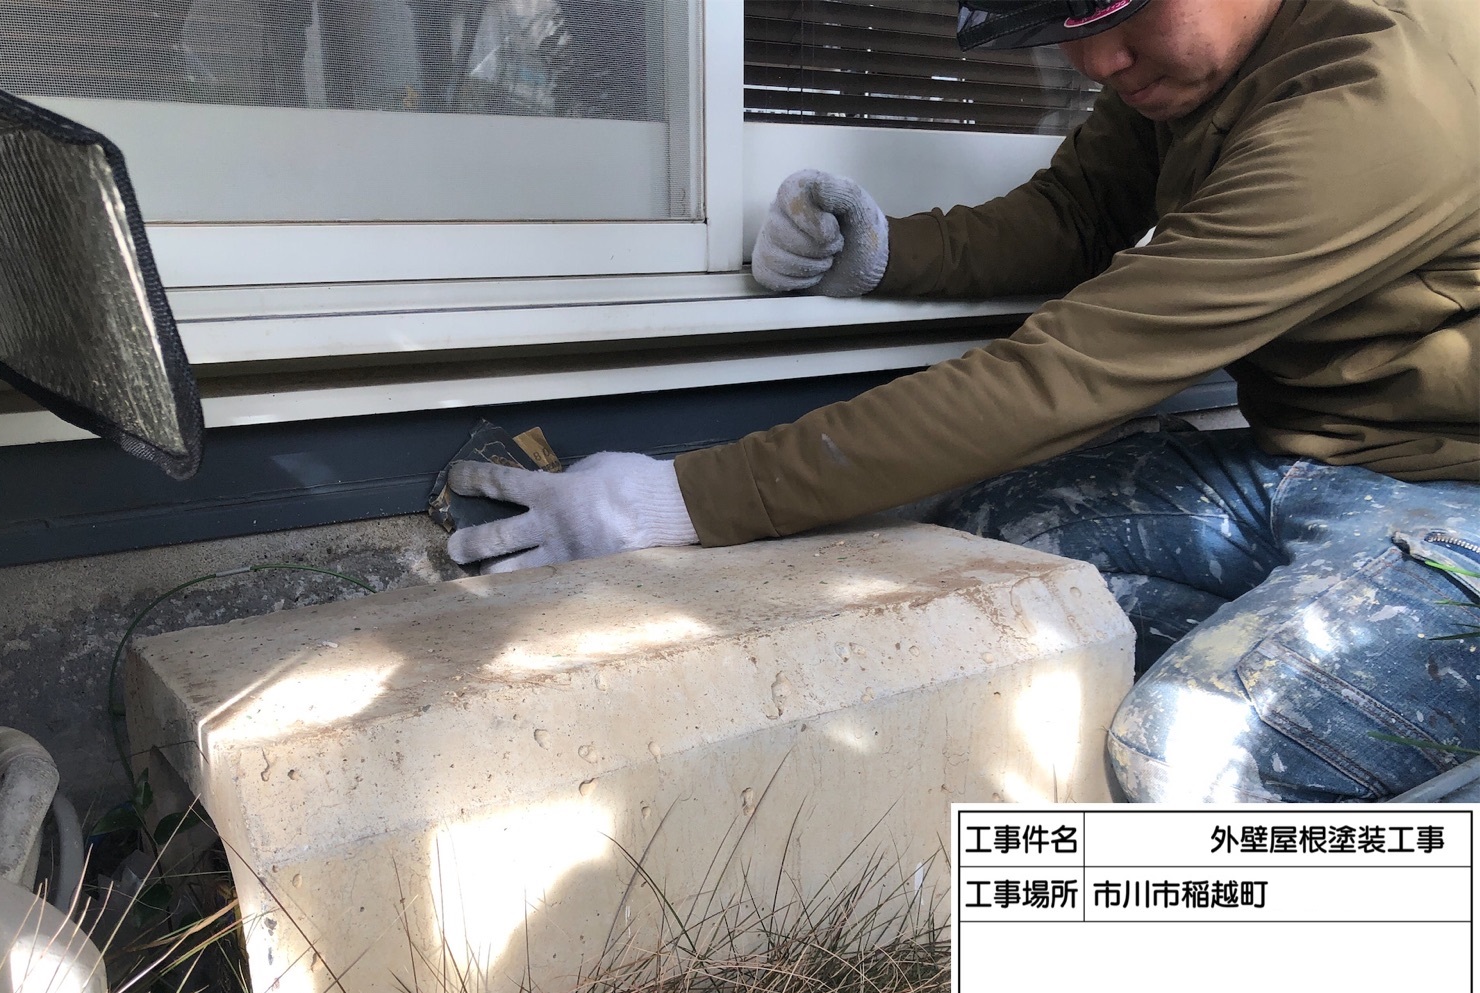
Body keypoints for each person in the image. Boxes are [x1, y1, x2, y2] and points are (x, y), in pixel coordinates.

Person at [445, 0, 1480, 804]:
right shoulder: (1196, 61)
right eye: (1066, 29)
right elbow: (1077, 213)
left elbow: (1075, 371)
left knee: (1188, 757)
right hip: (1307, 457)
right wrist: (886, 252)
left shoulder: (1386, 98)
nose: (1097, 62)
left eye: (1118, 14)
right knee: (982, 554)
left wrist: (680, 501)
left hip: (1455, 489)